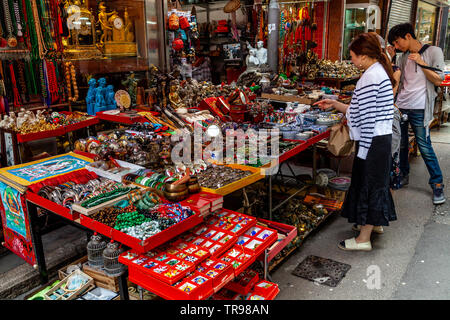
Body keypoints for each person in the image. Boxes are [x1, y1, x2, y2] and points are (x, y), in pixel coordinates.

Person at [314, 32, 397, 251]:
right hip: (379, 139)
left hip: (373, 141)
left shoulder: (371, 77)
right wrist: (335, 103)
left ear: (363, 56)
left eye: (352, 56)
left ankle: (363, 239)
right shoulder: (377, 72)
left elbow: (367, 118)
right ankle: (373, 224)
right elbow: (361, 109)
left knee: (369, 185)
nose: (351, 61)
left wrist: (364, 151)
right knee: (375, 184)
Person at [387, 23, 446, 205]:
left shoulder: (434, 51)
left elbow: (439, 79)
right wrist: (390, 58)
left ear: (408, 36)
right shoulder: (402, 57)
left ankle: (437, 184)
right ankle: (403, 175)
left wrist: (421, 63)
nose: (397, 46)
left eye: (397, 42)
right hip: (402, 106)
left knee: (425, 146)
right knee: (402, 145)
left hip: (420, 108)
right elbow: (398, 81)